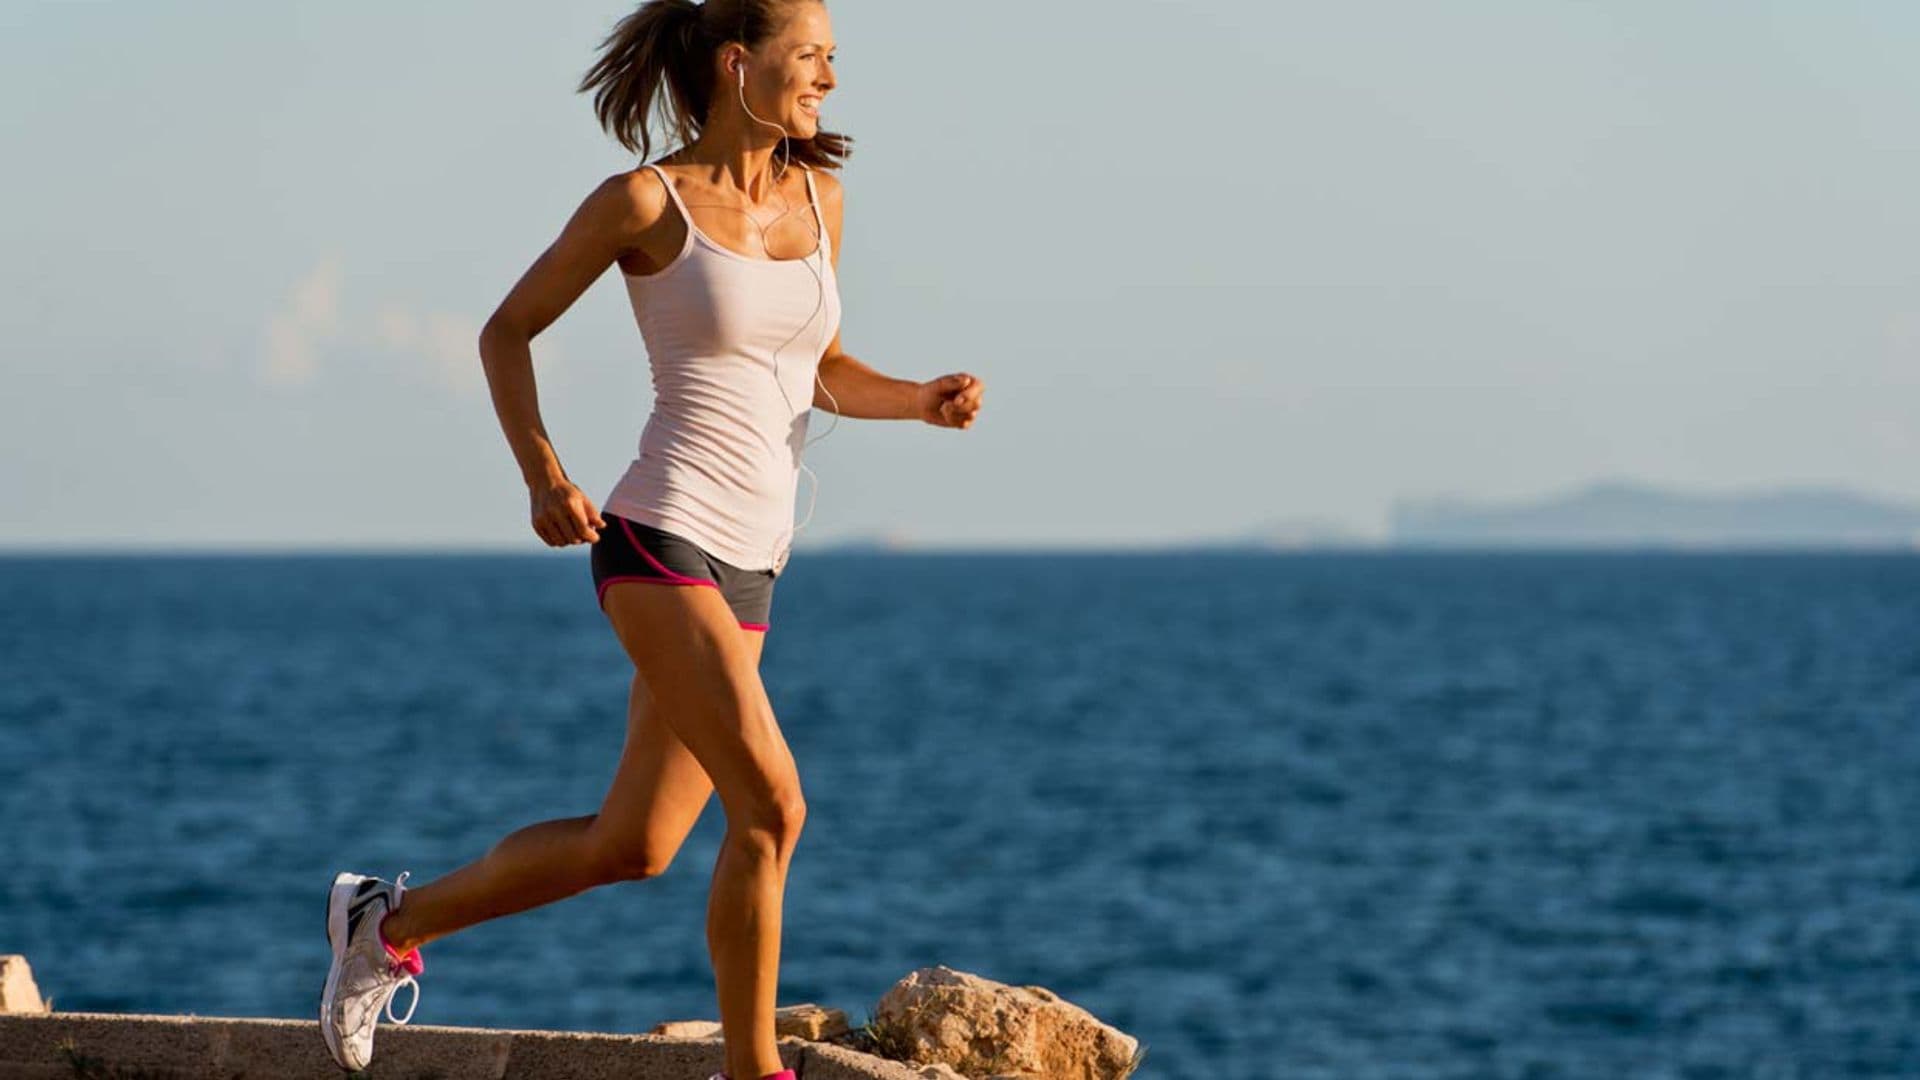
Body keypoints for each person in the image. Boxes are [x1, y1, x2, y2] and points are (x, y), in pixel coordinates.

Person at [316, 2, 985, 1077]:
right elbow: (506, 332)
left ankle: (384, 926)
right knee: (773, 806)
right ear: (737, 65)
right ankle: (752, 1068)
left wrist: (918, 401)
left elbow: (817, 367)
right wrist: (544, 475)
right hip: (658, 535)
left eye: (830, 60)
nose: (828, 80)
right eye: (810, 58)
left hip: (754, 563)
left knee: (634, 845)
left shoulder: (822, 199)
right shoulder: (646, 200)